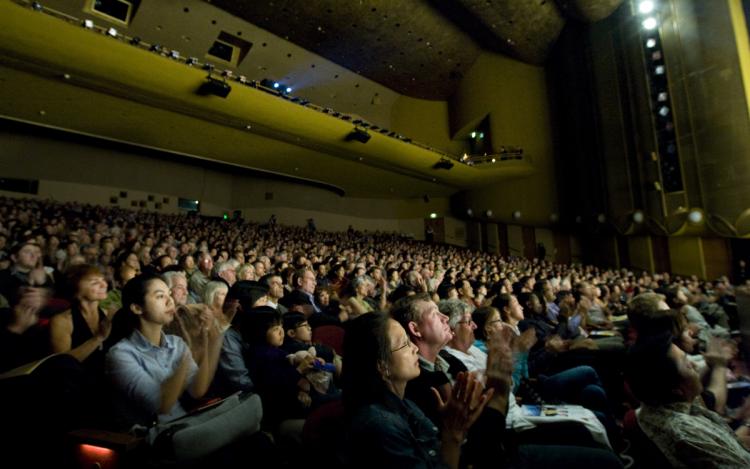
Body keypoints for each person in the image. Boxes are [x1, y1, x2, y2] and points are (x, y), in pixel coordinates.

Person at [343, 312, 507, 469]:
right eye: (404, 344)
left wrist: (451, 428)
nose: (414, 347)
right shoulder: (380, 425)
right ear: (382, 366)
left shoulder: (405, 404)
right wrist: (452, 435)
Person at [105, 273, 223, 429]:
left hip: (184, 426)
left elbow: (197, 390)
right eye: (160, 296)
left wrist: (212, 340)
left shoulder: (176, 343)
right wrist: (188, 356)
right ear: (137, 308)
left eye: (169, 294)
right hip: (154, 440)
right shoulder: (121, 355)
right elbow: (162, 404)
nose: (170, 301)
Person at [626, 332, 750, 468]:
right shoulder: (686, 433)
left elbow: (724, 446)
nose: (696, 366)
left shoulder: (661, 404)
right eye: (688, 364)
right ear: (676, 388)